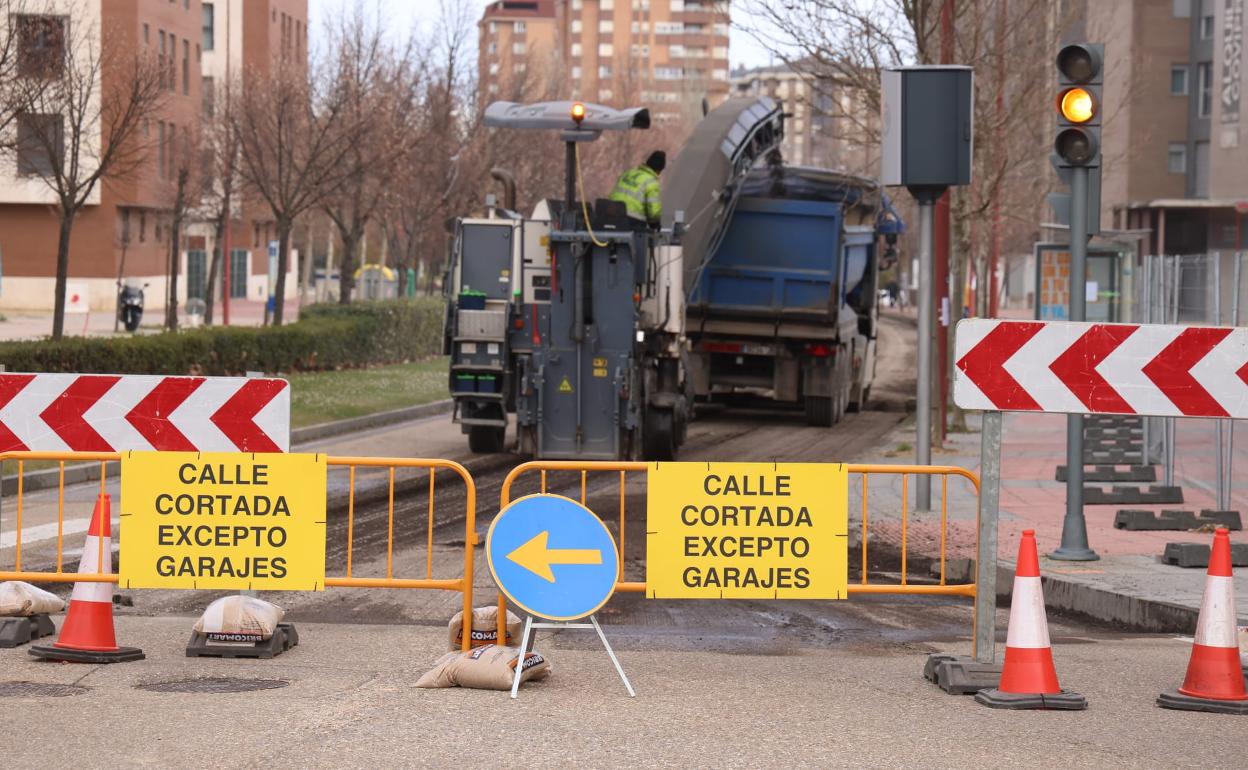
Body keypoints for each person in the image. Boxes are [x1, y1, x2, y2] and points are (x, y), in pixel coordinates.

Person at [608, 150, 665, 226]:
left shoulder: (628, 173)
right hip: (632, 220)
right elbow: (654, 212)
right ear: (659, 170)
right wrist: (655, 224)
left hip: (611, 214)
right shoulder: (651, 182)